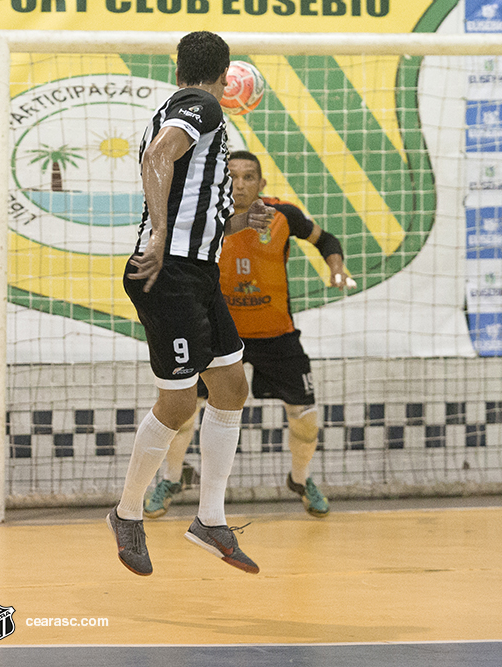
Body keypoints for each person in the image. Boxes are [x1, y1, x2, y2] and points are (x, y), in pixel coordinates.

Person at [107, 32, 274, 577]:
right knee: (179, 406)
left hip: (196, 271)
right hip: (168, 271)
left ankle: (210, 518)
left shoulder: (186, 109)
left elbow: (191, 199)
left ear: (179, 66)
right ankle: (127, 514)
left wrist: (241, 220)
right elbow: (159, 157)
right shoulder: (200, 106)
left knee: (230, 387)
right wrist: (157, 234)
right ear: (225, 76)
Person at [142, 151, 350, 521]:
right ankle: (173, 479)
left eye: (249, 177)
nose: (240, 184)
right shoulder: (205, 219)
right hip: (218, 332)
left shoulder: (284, 214)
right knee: (185, 411)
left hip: (276, 335)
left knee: (306, 417)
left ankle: (300, 480)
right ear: (222, 180)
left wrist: (336, 268)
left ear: (261, 183)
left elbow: (327, 239)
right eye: (232, 176)